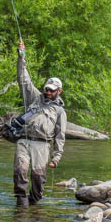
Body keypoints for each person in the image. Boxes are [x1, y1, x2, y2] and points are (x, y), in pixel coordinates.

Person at [13, 39, 66, 206]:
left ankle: (34, 205)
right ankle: (21, 209)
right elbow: (24, 78)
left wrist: (56, 157)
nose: (48, 91)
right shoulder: (34, 98)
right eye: (47, 88)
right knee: (20, 172)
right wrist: (21, 56)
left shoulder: (60, 111)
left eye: (52, 89)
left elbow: (60, 136)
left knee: (38, 179)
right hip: (24, 140)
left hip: (43, 145)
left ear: (59, 91)